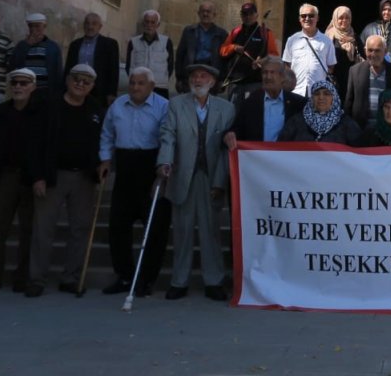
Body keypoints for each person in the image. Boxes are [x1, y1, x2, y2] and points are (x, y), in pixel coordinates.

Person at [24, 64, 104, 297]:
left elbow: (103, 140)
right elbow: (35, 142)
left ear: (92, 86)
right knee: (43, 229)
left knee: (80, 229)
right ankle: (36, 278)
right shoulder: (50, 105)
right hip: (52, 176)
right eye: (77, 79)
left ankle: (71, 277)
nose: (81, 84)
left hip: (83, 177)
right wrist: (37, 176)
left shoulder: (96, 109)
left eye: (86, 81)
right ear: (68, 80)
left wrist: (103, 163)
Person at [158, 63, 235, 301]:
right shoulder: (176, 104)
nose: (198, 80)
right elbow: (168, 134)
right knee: (182, 230)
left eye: (203, 76)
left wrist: (220, 181)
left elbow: (225, 150)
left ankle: (214, 281)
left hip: (210, 175)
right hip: (183, 174)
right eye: (194, 76)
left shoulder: (226, 108)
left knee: (211, 231)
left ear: (213, 82)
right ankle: (179, 281)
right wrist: (165, 161)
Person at [97, 67, 171, 298]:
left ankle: (146, 280)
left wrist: (163, 165)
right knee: (118, 226)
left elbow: (168, 136)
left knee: (155, 227)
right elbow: (107, 133)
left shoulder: (163, 106)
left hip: (151, 165)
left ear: (151, 86)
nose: (135, 87)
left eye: (141, 83)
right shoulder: (118, 105)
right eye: (132, 83)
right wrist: (105, 158)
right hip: (125, 164)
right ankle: (124, 275)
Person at [0, 68, 46, 294]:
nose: (18, 87)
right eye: (15, 83)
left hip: (30, 178)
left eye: (23, 83)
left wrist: (41, 177)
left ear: (32, 87)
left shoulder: (40, 113)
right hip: (4, 175)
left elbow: (45, 148)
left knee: (28, 230)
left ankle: (23, 277)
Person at [227, 56, 308, 145]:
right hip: (257, 157)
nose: (268, 77)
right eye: (265, 73)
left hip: (286, 157)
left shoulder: (298, 103)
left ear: (282, 77)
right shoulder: (251, 102)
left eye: (272, 73)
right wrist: (229, 135)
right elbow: (237, 130)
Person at [343, 35, 391, 130]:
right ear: (365, 51)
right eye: (370, 50)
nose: (373, 54)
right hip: (361, 130)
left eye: (377, 50)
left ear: (385, 51)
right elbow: (348, 103)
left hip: (389, 130)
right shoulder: (355, 71)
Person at [218, 2, 278, 101]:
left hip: (256, 82)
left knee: (252, 113)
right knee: (234, 113)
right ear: (241, 16)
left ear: (256, 15)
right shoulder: (235, 32)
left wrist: (262, 61)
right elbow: (222, 51)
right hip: (235, 82)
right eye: (245, 14)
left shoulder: (265, 33)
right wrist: (234, 47)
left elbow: (274, 55)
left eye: (251, 14)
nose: (248, 17)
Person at [279, 80, 363, 145]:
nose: (321, 97)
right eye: (316, 94)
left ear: (334, 98)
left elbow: (358, 150)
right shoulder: (297, 121)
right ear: (311, 98)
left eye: (326, 94)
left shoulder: (346, 123)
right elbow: (282, 146)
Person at [64, 12, 121, 105]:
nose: (90, 27)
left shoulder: (110, 44)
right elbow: (68, 68)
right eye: (87, 23)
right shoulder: (75, 45)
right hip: (76, 88)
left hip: (99, 92)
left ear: (100, 26)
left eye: (94, 24)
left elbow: (114, 70)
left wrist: (112, 93)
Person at [282, 3, 336, 97]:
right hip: (296, 90)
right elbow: (287, 65)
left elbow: (331, 66)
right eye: (303, 16)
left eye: (311, 16)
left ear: (317, 18)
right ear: (299, 19)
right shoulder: (292, 40)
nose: (307, 18)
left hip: (318, 93)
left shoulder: (326, 41)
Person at [9, 12, 63, 94]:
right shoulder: (21, 45)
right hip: (24, 90)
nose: (34, 29)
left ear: (44, 26)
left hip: (45, 92)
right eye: (31, 26)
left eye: (37, 26)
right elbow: (13, 65)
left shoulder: (53, 47)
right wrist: (26, 46)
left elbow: (58, 72)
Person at [175, 1, 227, 85]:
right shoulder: (189, 31)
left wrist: (222, 79)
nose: (205, 14)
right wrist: (179, 78)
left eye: (208, 11)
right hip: (192, 71)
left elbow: (225, 60)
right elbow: (180, 55)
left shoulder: (221, 34)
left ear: (214, 15)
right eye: (203, 11)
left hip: (212, 72)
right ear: (198, 13)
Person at [127, 9, 175, 98]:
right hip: (138, 87)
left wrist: (161, 79)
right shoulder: (133, 42)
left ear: (158, 25)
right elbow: (129, 65)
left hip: (160, 87)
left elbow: (170, 66)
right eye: (147, 22)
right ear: (143, 24)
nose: (149, 25)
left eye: (153, 22)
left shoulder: (166, 42)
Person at [325, 5, 360, 97]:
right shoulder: (328, 36)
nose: (344, 21)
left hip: (351, 80)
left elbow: (363, 56)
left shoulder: (355, 36)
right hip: (333, 79)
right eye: (341, 18)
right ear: (335, 19)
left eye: (347, 18)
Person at [361, 0, 391, 64]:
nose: (387, 12)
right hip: (374, 68)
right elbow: (361, 47)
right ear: (380, 11)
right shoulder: (369, 28)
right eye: (384, 9)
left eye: (389, 10)